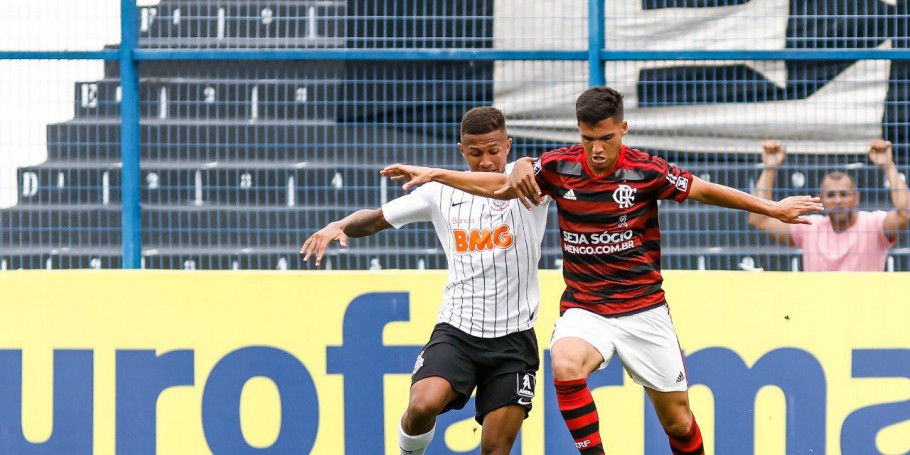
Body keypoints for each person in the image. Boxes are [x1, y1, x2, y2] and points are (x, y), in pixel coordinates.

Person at [381, 86, 823, 455]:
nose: (596, 149)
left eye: (606, 138)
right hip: (586, 308)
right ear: (579, 132)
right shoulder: (558, 167)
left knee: (679, 422)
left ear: (623, 130)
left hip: (644, 310)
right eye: (588, 137)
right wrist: (439, 173)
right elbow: (502, 184)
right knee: (566, 362)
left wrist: (770, 206)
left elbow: (705, 190)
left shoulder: (646, 171)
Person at [300, 107, 551, 455]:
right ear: (462, 151)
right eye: (476, 153)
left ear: (507, 145)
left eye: (494, 150)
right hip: (458, 332)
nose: (487, 161)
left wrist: (526, 161)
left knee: (496, 448)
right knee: (421, 406)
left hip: (513, 341)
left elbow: (535, 168)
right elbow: (375, 220)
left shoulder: (527, 181)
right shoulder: (439, 192)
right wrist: (339, 225)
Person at [749, 139, 909, 271]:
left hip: (864, 306)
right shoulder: (810, 227)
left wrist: (888, 166)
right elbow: (759, 220)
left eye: (844, 194)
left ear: (856, 197)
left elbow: (905, 213)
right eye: (831, 195)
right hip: (819, 306)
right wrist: (770, 168)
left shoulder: (873, 224)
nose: (838, 200)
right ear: (822, 199)